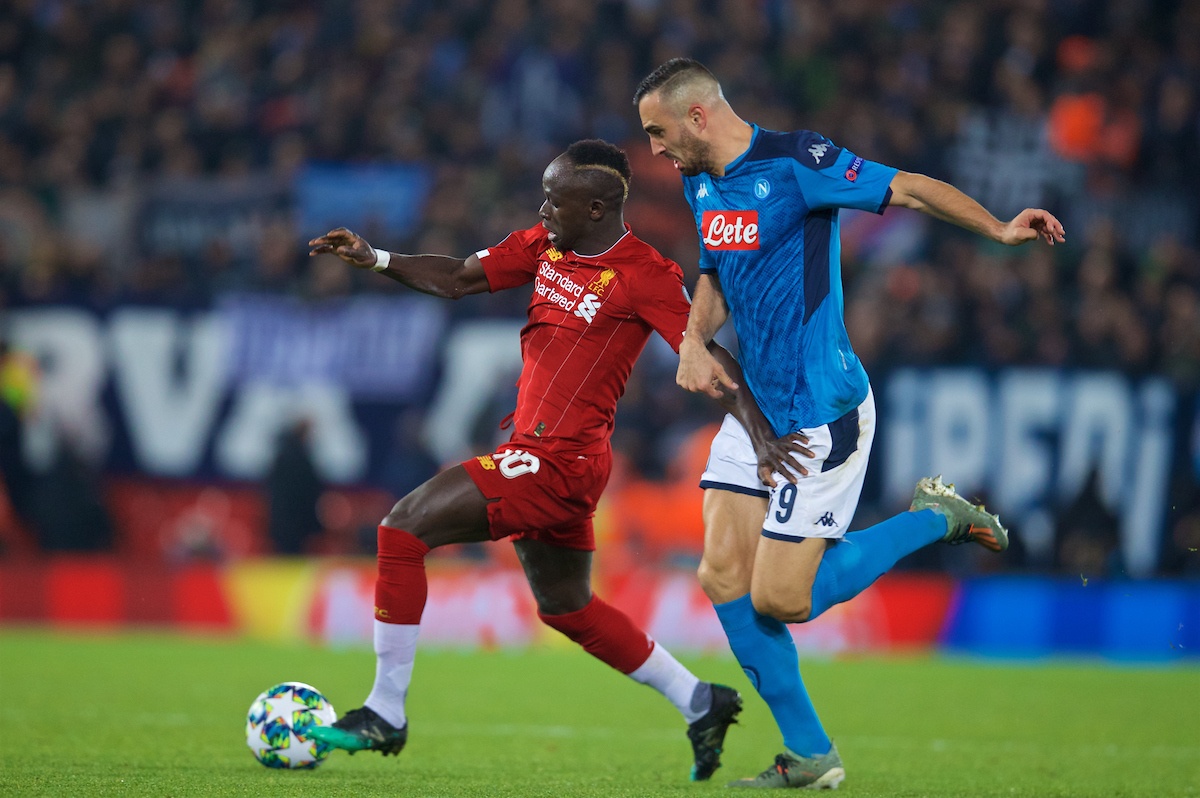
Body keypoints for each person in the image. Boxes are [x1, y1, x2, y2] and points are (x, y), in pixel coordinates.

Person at [305, 139, 803, 781]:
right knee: (566, 607)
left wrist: (761, 436)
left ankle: (384, 711)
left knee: (401, 528)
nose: (541, 208)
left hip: (560, 461)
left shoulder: (644, 273)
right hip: (536, 454)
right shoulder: (546, 246)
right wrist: (374, 258)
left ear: (595, 208)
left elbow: (705, 353)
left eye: (554, 199)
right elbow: (456, 277)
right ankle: (701, 701)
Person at [634, 58, 1067, 789]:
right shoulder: (699, 179)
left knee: (780, 600)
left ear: (698, 116)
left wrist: (996, 227)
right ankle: (811, 755)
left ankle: (936, 517)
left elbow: (908, 189)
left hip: (822, 410)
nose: (653, 150)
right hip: (758, 409)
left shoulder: (799, 161)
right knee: (719, 573)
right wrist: (690, 339)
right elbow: (715, 272)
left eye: (658, 132)